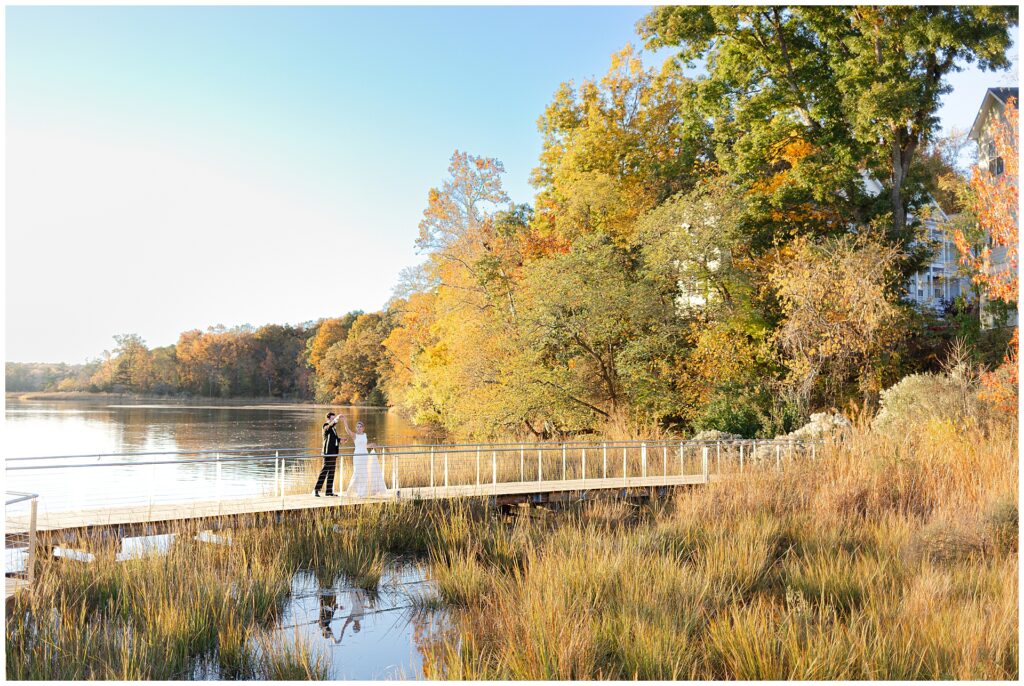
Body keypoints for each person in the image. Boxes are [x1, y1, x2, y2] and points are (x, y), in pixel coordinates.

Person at [340, 417, 387, 496]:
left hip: (365, 455)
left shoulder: (365, 435)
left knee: (365, 473)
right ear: (356, 428)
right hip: (357, 456)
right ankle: (351, 491)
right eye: (357, 427)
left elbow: (364, 445)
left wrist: (371, 445)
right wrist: (345, 421)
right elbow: (347, 430)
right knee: (357, 473)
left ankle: (363, 492)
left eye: (360, 426)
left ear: (363, 428)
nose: (359, 428)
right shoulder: (354, 435)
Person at [314, 412, 341, 497]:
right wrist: (336, 420)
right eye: (332, 419)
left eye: (334, 418)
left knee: (331, 472)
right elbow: (328, 427)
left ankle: (329, 491)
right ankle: (316, 490)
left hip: (333, 453)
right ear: (328, 419)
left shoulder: (333, 429)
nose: (334, 420)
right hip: (327, 452)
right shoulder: (325, 426)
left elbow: (334, 439)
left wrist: (340, 440)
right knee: (324, 471)